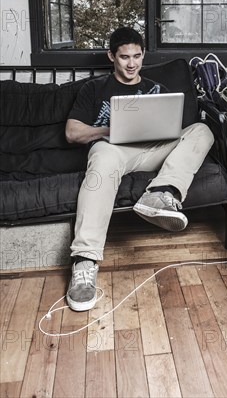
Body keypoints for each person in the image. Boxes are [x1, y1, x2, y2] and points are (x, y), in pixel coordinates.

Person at [65, 26, 214, 311]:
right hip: (113, 149)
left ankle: (160, 193)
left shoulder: (157, 90)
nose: (131, 63)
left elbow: (178, 129)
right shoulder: (94, 88)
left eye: (137, 56)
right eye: (124, 57)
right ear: (111, 56)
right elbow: (72, 133)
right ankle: (84, 260)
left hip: (154, 150)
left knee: (202, 130)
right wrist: (110, 129)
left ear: (143, 55)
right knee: (103, 163)